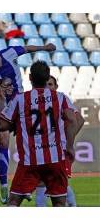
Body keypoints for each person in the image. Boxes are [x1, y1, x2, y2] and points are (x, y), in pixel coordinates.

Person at [0, 43, 56, 204]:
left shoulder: (9, 52)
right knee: (4, 141)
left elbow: (26, 48)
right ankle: (4, 185)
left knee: (29, 142)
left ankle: (28, 183)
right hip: (1, 106)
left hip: (21, 104)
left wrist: (45, 47)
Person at [0, 60, 78, 207]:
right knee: (59, 202)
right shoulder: (60, 97)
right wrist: (70, 146)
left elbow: (2, 125)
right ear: (47, 78)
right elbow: (72, 120)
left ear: (30, 77)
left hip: (30, 161)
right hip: (55, 159)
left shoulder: (20, 99)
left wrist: (1, 100)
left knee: (14, 201)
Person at [35, 75, 84, 207]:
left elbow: (79, 120)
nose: (48, 87)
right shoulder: (37, 101)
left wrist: (69, 141)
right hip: (42, 147)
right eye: (46, 84)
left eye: (51, 84)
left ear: (56, 87)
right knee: (41, 183)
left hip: (60, 148)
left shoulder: (61, 99)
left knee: (59, 182)